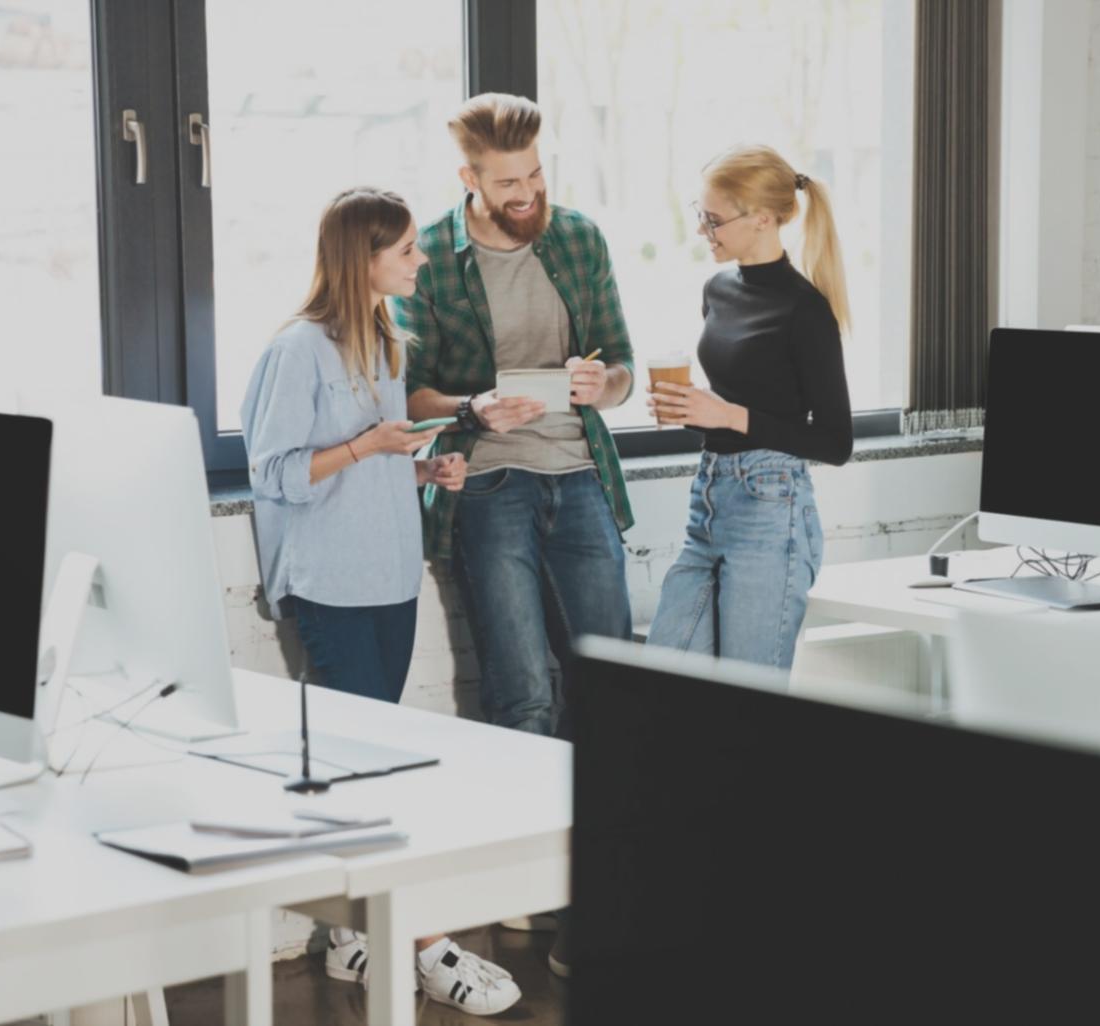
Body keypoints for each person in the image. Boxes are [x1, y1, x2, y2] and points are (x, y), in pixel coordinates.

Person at [241, 186, 520, 1016]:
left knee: (369, 765)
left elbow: (372, 463)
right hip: (329, 582)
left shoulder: (391, 343)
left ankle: (355, 941)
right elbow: (274, 473)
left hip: (391, 577)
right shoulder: (296, 350)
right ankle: (422, 941)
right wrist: (367, 444)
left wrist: (424, 468)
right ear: (361, 258)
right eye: (405, 251)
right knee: (364, 771)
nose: (420, 259)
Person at [394, 92, 637, 980]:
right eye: (508, 181)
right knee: (523, 694)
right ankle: (530, 888)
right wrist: (471, 406)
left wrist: (595, 382)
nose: (528, 192)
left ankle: (598, 903)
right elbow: (407, 392)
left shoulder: (576, 238)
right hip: (488, 485)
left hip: (579, 481)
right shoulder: (429, 258)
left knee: (607, 687)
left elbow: (622, 370)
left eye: (536, 173)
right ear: (469, 180)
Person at [645, 145, 853, 670]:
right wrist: (690, 409)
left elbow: (835, 442)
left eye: (714, 221)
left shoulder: (805, 311)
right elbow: (738, 394)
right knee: (660, 676)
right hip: (710, 497)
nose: (703, 232)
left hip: (772, 508)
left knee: (748, 705)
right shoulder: (717, 288)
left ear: (762, 219)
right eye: (701, 216)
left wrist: (729, 416)